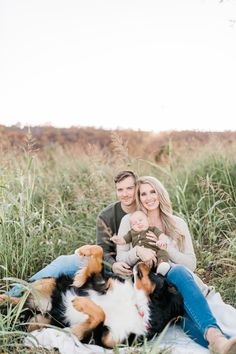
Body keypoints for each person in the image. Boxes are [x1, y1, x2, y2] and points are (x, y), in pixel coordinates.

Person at [2, 171, 236, 354]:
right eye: (143, 194)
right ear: (138, 197)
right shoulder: (130, 221)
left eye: (152, 192)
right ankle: (15, 296)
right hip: (141, 281)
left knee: (180, 284)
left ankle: (217, 341)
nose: (148, 198)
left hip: (171, 275)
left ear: (161, 194)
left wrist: (168, 248)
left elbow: (191, 263)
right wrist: (139, 252)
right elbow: (121, 256)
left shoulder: (177, 224)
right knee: (67, 262)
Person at [110, 210, 171, 275]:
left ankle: (161, 266)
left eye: (140, 220)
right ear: (132, 227)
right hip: (142, 258)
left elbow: (161, 235)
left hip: (155, 253)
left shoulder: (153, 229)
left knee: (162, 252)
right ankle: (143, 273)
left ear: (148, 220)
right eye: (134, 223)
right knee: (138, 264)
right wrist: (118, 239)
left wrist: (161, 241)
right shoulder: (131, 233)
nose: (138, 223)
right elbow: (123, 240)